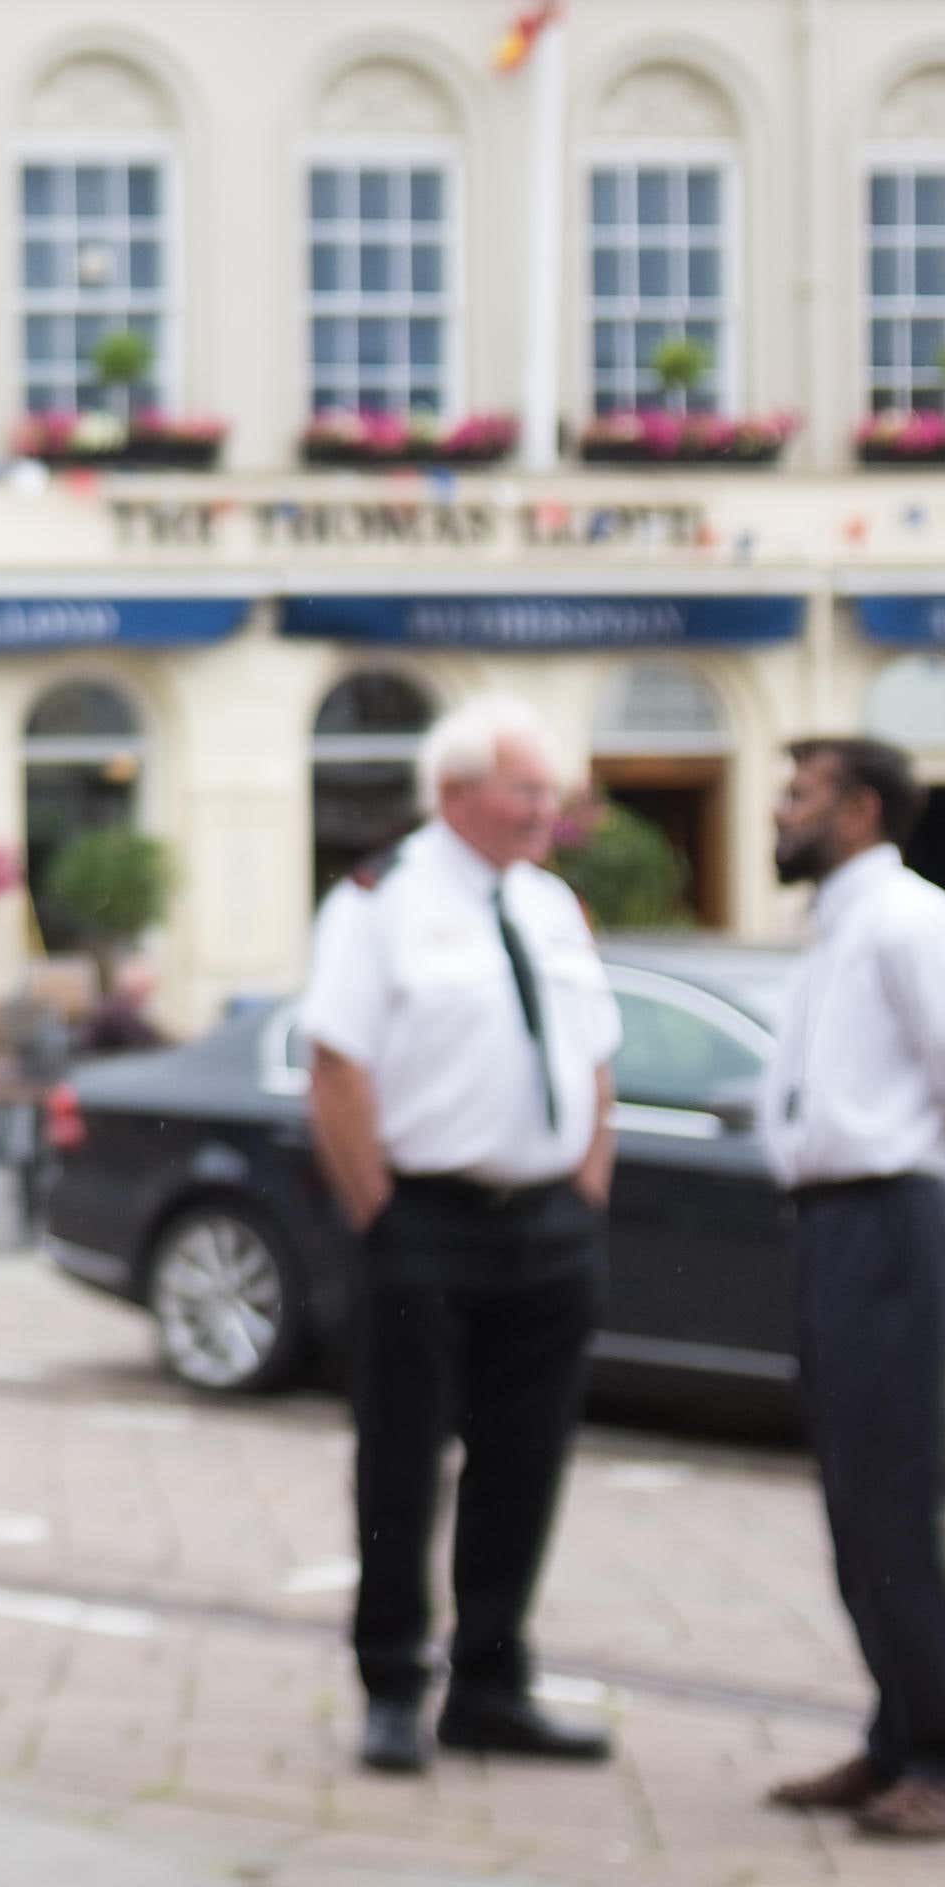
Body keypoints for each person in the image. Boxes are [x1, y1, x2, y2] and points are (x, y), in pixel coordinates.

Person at [298, 693, 620, 1776]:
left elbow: (596, 1055)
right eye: (526, 790)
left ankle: (492, 1684)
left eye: (550, 791)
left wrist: (586, 1183)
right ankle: (392, 1682)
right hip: (426, 1220)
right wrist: (378, 1213)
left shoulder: (551, 907)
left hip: (546, 1225)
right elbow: (336, 1065)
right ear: (455, 795)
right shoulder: (378, 900)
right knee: (401, 1461)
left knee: (525, 1461)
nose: (546, 810)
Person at [759, 735, 945, 1840]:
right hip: (832, 1226)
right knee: (851, 1502)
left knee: (896, 1500)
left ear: (862, 809)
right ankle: (895, 1738)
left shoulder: (914, 919)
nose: (781, 811)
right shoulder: (832, 931)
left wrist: (894, 1144)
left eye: (802, 794)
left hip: (890, 1218)